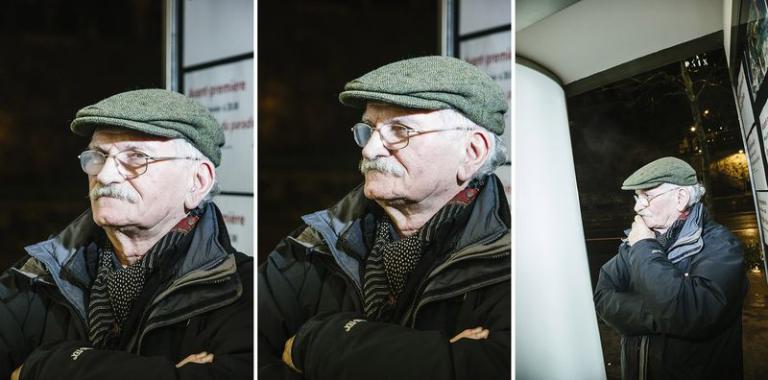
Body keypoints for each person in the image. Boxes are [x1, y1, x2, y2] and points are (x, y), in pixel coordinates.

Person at [258, 56, 511, 380]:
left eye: (400, 131)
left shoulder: (512, 262)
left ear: (471, 152)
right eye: (370, 130)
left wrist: (320, 342)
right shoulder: (314, 245)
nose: (370, 150)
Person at [0, 89, 253, 380]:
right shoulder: (40, 276)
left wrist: (48, 367)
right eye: (98, 156)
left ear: (197, 181)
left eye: (136, 158)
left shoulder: (240, 292)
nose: (105, 176)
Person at [594, 156, 747, 380]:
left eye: (646, 196)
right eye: (637, 198)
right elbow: (603, 296)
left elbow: (692, 314)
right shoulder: (637, 241)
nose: (638, 207)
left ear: (680, 198)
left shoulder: (721, 246)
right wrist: (661, 314)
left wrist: (645, 247)